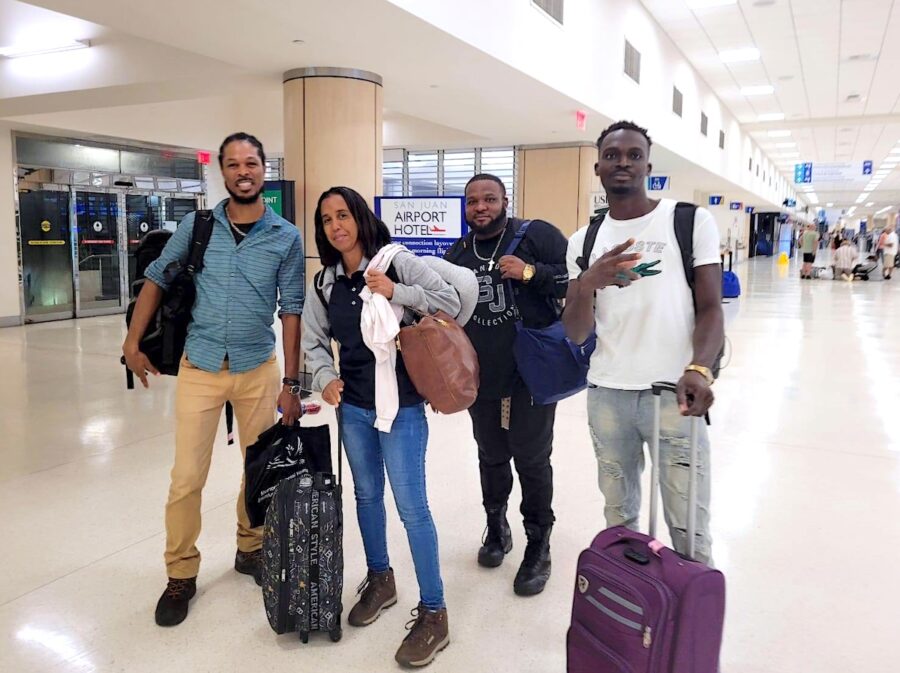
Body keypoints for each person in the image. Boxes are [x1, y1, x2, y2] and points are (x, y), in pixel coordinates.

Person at [121, 132, 305, 627]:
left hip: (257, 369)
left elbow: (291, 310)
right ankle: (180, 572)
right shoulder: (197, 225)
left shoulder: (285, 236)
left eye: (251, 163)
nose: (243, 172)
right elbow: (157, 277)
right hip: (200, 366)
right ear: (221, 172)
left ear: (264, 170)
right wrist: (131, 343)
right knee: (186, 478)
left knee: (259, 468)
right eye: (233, 164)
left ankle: (251, 547)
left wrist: (294, 382)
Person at [302, 186, 459, 668]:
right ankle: (381, 578)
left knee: (412, 507)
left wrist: (396, 291)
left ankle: (435, 612)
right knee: (366, 497)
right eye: (327, 220)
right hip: (355, 409)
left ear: (360, 218)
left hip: (404, 407)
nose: (336, 226)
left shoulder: (395, 261)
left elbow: (448, 301)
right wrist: (325, 379)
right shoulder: (325, 281)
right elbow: (311, 342)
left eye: (343, 215)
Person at [562, 120, 724, 565]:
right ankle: (633, 613)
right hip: (608, 393)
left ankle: (691, 623)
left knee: (688, 523)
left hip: (676, 395)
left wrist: (700, 368)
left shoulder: (688, 221)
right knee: (619, 520)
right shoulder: (584, 240)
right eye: (612, 155)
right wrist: (588, 282)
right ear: (598, 167)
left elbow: (711, 308)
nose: (623, 163)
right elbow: (575, 331)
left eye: (634, 155)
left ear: (648, 164)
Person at [444, 174, 569, 596]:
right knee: (491, 455)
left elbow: (574, 281)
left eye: (490, 199)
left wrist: (530, 272)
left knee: (532, 459)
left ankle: (539, 543)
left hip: (530, 375)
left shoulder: (536, 235)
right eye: (473, 201)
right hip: (483, 377)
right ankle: (497, 527)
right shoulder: (458, 253)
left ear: (505, 201)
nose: (481, 207)